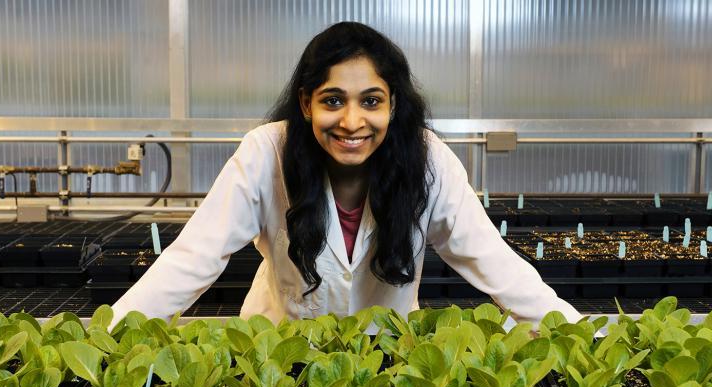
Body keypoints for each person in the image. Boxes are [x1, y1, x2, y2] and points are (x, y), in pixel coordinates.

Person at [110, 22, 582, 328]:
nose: (352, 121)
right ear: (305, 103)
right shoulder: (265, 154)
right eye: (333, 100)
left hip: (384, 359)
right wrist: (111, 335)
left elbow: (494, 263)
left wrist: (582, 335)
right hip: (279, 355)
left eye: (371, 101)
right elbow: (194, 256)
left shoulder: (429, 161)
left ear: (393, 105)